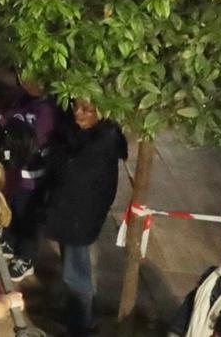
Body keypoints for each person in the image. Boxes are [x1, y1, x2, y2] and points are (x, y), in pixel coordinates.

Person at [39, 97, 128, 337]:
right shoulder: (86, 136)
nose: (78, 113)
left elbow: (73, 174)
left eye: (86, 109)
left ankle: (79, 326)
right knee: (72, 271)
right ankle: (75, 318)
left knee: (76, 275)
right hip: (71, 215)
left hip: (77, 218)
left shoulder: (101, 144)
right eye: (76, 107)